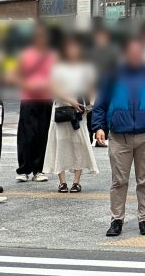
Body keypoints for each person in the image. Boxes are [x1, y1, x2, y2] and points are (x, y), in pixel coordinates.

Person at [92, 38, 145, 237]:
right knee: (118, 181)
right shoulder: (112, 74)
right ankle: (116, 220)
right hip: (119, 136)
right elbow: (100, 103)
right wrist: (98, 126)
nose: (135, 56)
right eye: (131, 52)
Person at [43, 35, 98, 193]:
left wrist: (91, 104)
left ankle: (76, 181)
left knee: (79, 144)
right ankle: (62, 182)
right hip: (62, 109)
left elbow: (91, 87)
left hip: (79, 111)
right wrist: (71, 101)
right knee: (59, 144)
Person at [14, 24, 56, 183]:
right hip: (28, 97)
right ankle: (23, 169)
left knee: (42, 133)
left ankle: (39, 170)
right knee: (26, 134)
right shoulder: (25, 55)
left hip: (45, 97)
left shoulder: (51, 55)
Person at [87, 27, 119, 147]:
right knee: (92, 109)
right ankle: (92, 133)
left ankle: (102, 135)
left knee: (104, 109)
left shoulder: (113, 52)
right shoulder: (90, 52)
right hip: (94, 83)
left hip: (107, 83)